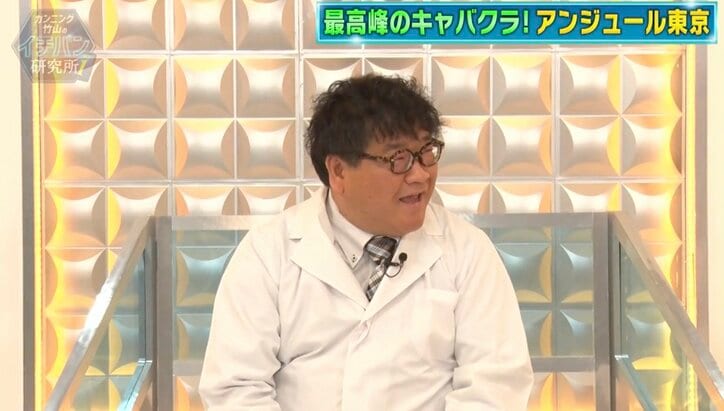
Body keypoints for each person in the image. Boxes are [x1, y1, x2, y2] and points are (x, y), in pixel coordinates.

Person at [199, 74, 533, 410]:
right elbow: (236, 389)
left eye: (426, 152)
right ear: (339, 171)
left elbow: (495, 387)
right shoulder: (267, 253)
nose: (420, 174)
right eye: (398, 158)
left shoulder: (468, 251)